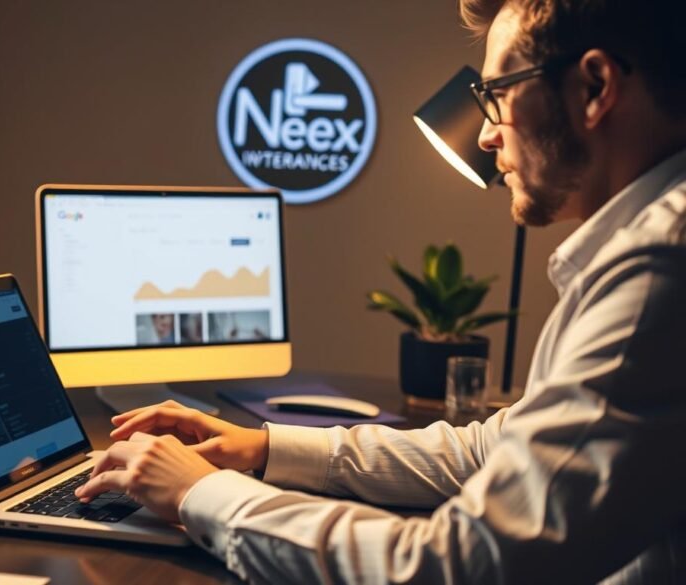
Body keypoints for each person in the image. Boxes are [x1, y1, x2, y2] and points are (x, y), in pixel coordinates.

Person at [75, 1, 686, 582]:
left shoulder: (658, 272)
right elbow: (490, 449)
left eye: (496, 95)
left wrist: (199, 492)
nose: (485, 136)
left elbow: (459, 565)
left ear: (595, 87)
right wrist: (262, 448)